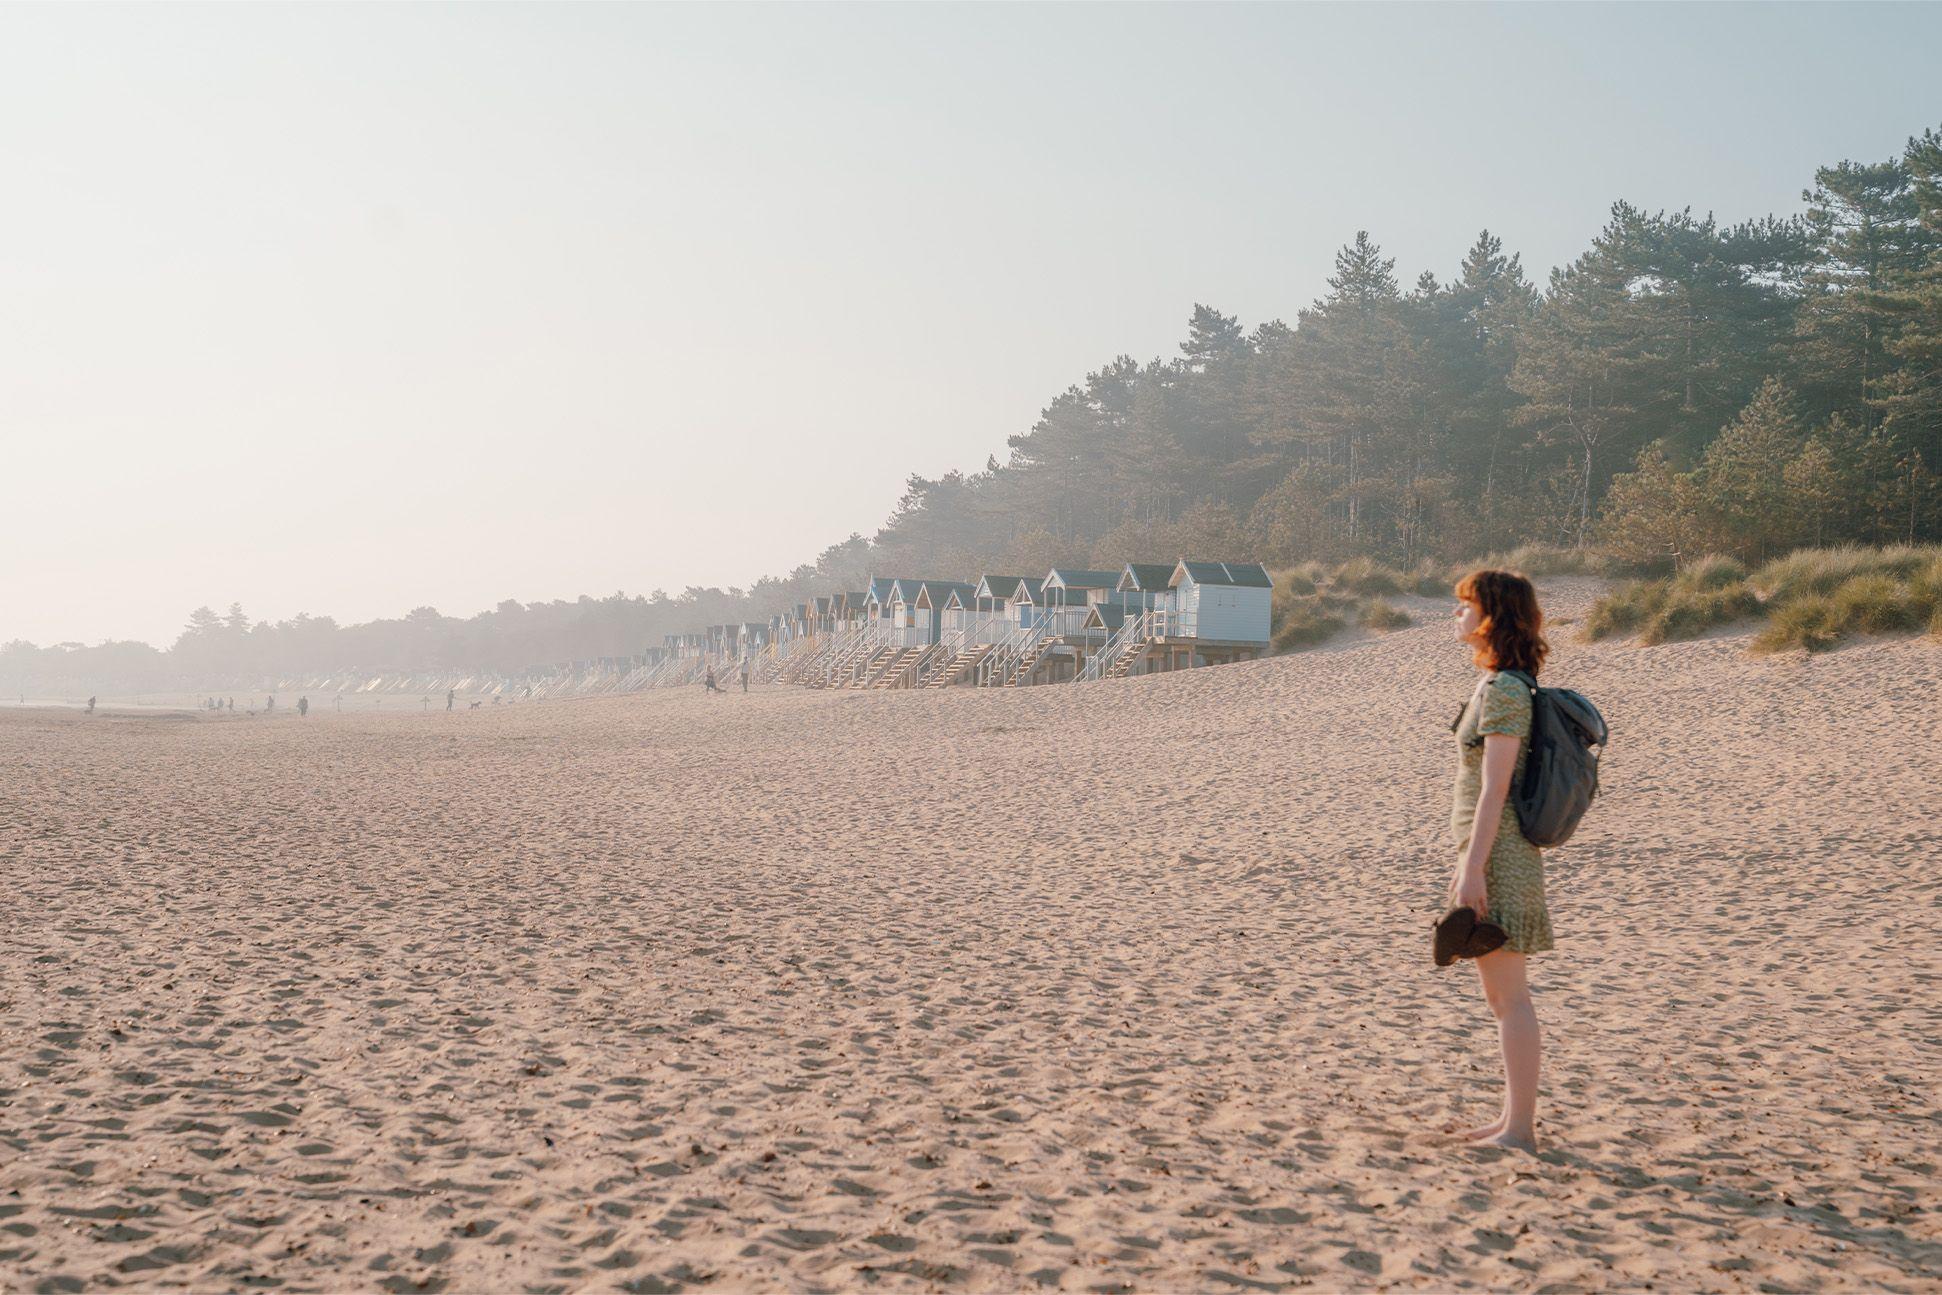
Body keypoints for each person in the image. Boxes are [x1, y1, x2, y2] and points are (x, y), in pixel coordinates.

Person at [1446, 568, 1553, 1153]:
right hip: (1488, 852)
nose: (1455, 613)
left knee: (1511, 999)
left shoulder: (1508, 690)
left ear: (1491, 614)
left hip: (1503, 855)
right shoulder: (1496, 685)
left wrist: (1475, 868)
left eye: (1465, 605)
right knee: (1500, 999)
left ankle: (1519, 1130)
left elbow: (1495, 788)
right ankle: (1511, 1119)